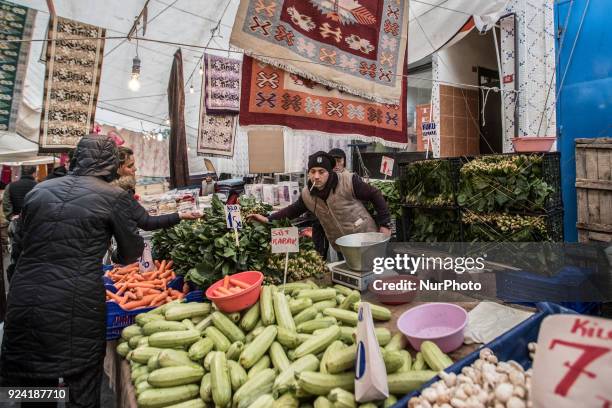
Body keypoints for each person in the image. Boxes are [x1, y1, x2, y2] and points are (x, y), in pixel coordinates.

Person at [0, 134, 144, 407]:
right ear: (110, 164)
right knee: (82, 386)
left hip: (25, 301)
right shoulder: (114, 196)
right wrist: (114, 254)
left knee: (33, 385)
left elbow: (17, 253)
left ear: (76, 159)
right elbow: (131, 253)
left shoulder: (38, 191)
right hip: (78, 306)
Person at [249, 151, 391, 253]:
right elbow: (293, 210)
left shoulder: (348, 181)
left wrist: (385, 224)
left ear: (330, 172)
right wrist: (268, 219)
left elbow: (375, 194)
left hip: (366, 238)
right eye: (312, 171)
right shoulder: (307, 194)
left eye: (321, 172)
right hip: (343, 246)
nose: (316, 176)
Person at [115, 146, 201, 230]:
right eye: (130, 166)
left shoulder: (118, 191)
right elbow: (146, 222)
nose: (135, 169)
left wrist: (180, 215)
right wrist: (181, 215)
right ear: (116, 169)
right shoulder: (120, 194)